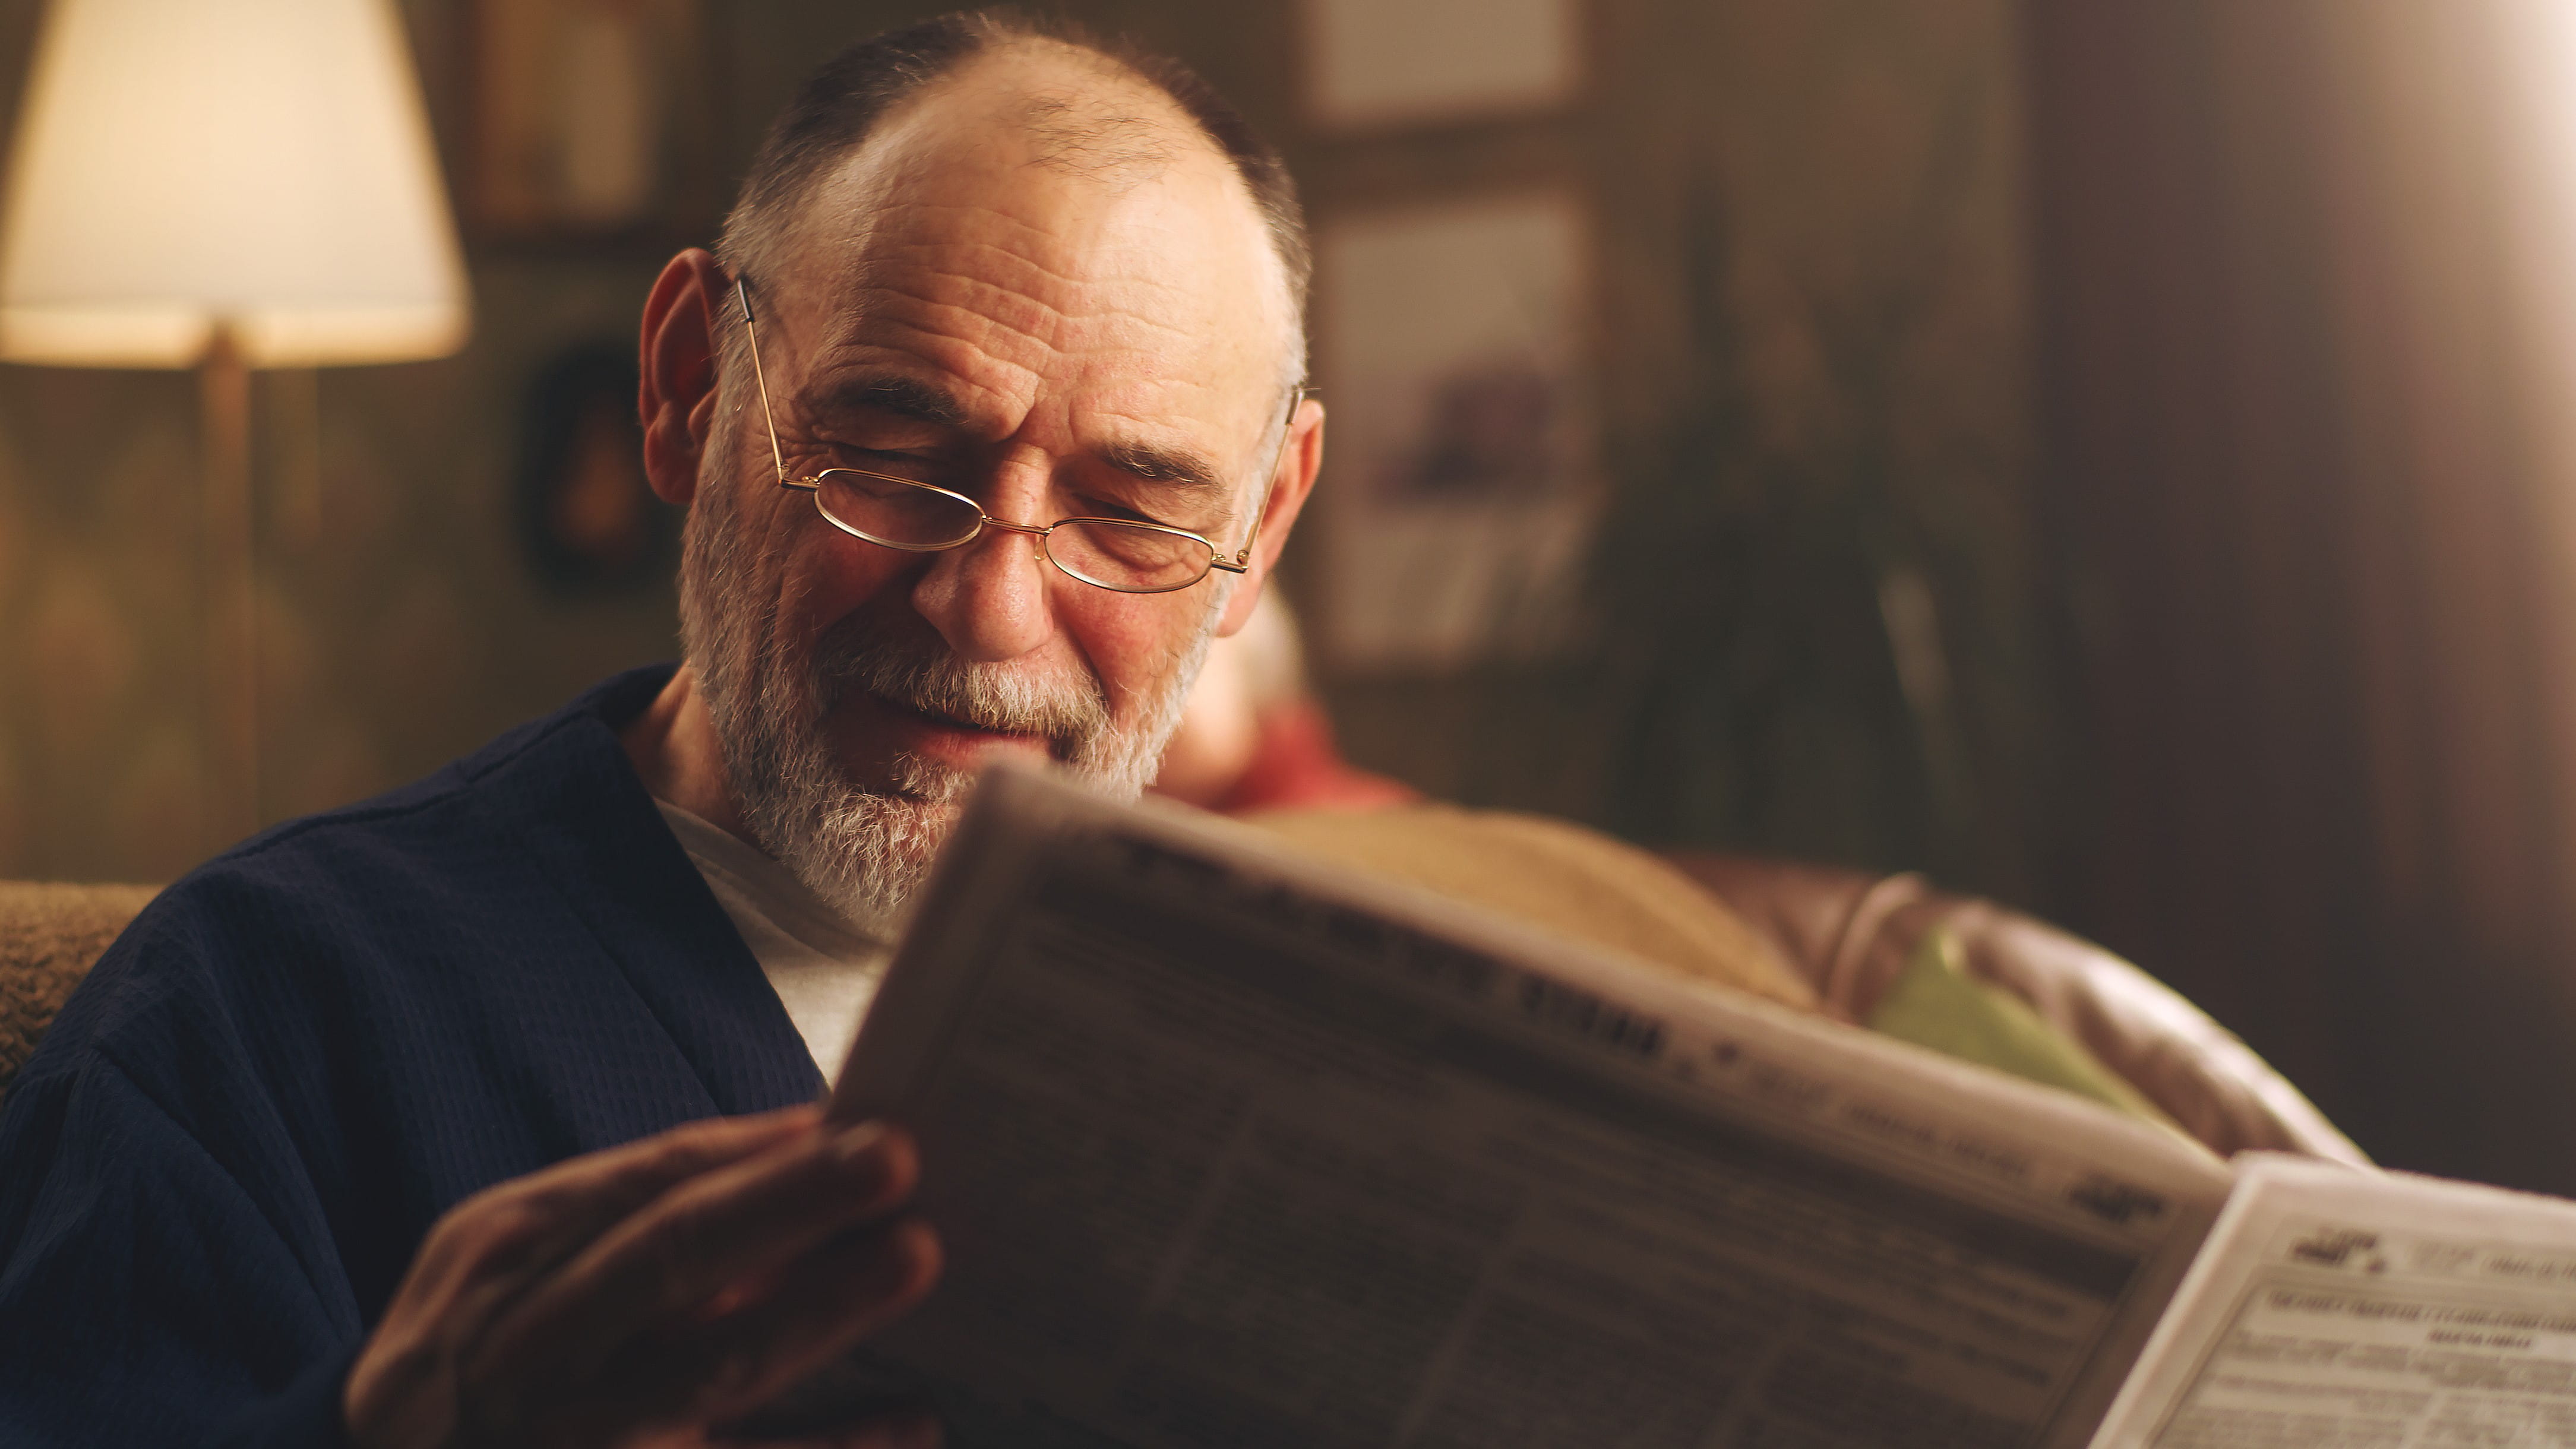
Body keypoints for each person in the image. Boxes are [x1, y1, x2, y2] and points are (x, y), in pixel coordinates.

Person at [0, 14, 1323, 1447]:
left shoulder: (1305, 1051)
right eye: (888, 450)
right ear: (690, 382)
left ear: (1260, 526)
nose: (993, 607)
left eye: (1130, 511)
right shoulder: (260, 1008)